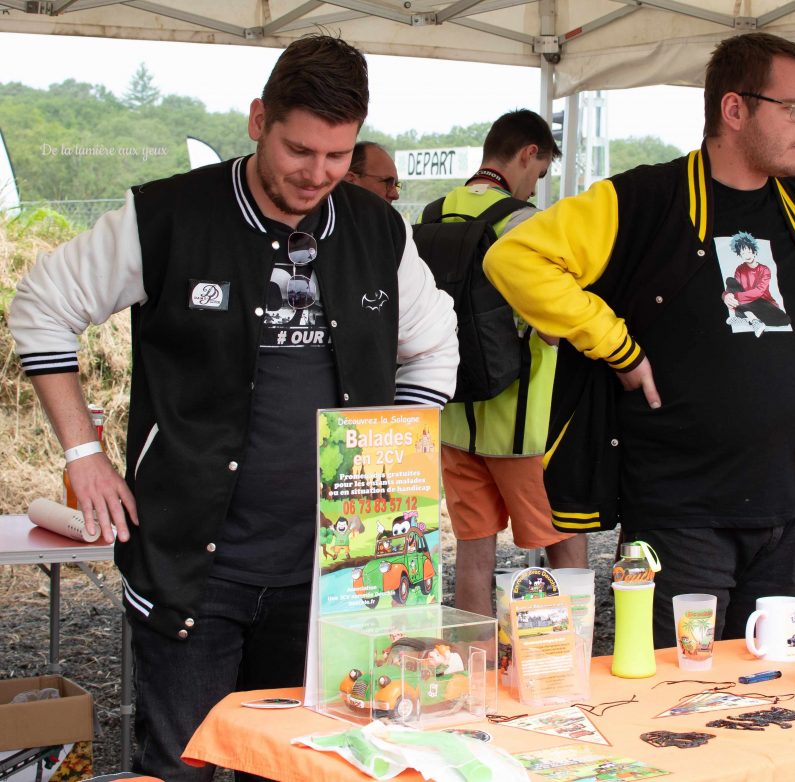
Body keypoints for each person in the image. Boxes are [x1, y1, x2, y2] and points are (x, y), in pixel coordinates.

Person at [8, 35, 458, 782]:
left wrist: (391, 472)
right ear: (258, 120)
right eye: (300, 150)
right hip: (193, 568)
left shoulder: (379, 230)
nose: (317, 174)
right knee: (178, 767)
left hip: (333, 576)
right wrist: (83, 454)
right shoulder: (166, 215)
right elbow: (42, 306)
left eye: (339, 156)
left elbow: (434, 346)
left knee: (296, 767)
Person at [483, 33, 795, 645]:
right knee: (679, 709)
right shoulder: (643, 200)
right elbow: (515, 257)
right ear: (735, 109)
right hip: (680, 514)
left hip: (788, 507)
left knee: (773, 697)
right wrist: (613, 343)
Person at [428, 109, 587, 618]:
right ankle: (566, 660)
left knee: (474, 551)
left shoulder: (432, 215)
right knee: (565, 543)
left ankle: (476, 667)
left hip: (455, 417)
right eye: (538, 174)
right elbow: (553, 326)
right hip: (525, 425)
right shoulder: (524, 223)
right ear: (527, 154)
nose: (534, 187)